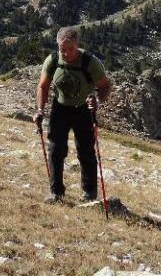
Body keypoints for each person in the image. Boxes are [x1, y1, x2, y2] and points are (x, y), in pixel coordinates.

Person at [33, 26, 111, 202]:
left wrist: (97, 101)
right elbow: (43, 86)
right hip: (60, 108)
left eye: (71, 49)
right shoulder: (52, 60)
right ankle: (56, 192)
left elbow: (105, 86)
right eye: (63, 49)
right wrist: (39, 110)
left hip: (83, 109)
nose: (67, 54)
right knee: (55, 150)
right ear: (57, 45)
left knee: (86, 151)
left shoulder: (90, 62)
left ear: (77, 45)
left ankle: (89, 193)